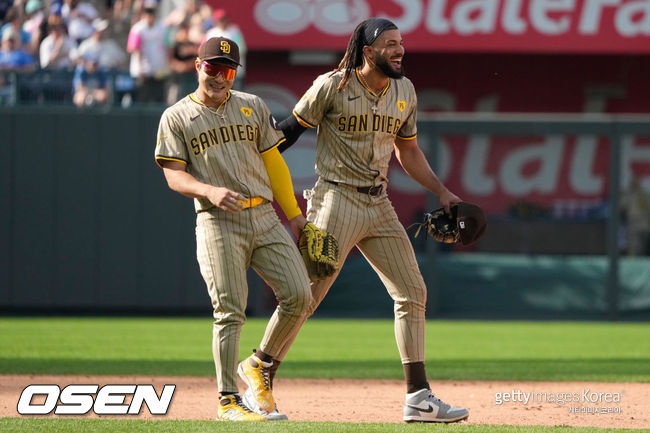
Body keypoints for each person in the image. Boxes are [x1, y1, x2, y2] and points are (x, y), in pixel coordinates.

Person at [270, 18, 470, 423]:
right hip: (335, 199)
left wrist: (442, 191)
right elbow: (286, 133)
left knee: (412, 291)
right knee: (305, 296)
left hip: (378, 204)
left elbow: (408, 152)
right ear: (367, 51)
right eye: (390, 44)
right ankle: (260, 370)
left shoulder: (405, 90)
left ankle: (418, 397)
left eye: (402, 43)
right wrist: (248, 160)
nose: (400, 50)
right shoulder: (332, 85)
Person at [154, 36, 312, 422]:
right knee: (229, 311)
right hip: (217, 220)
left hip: (264, 217)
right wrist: (207, 190)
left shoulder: (252, 106)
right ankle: (228, 401)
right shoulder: (176, 116)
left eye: (228, 69)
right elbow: (173, 175)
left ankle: (258, 364)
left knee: (300, 295)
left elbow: (273, 162)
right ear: (198, 66)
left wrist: (293, 214)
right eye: (213, 67)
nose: (221, 76)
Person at [126, 1, 168, 103]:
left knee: (159, 100)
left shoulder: (162, 28)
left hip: (158, 72)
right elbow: (133, 48)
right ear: (143, 14)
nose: (150, 15)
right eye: (147, 12)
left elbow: (168, 46)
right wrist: (141, 68)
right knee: (142, 100)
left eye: (152, 12)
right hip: (142, 73)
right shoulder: (137, 29)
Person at [621, 175, 650, 256]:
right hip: (634, 222)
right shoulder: (629, 194)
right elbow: (621, 206)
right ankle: (632, 262)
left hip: (645, 221)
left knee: (644, 246)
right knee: (634, 246)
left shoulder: (645, 194)